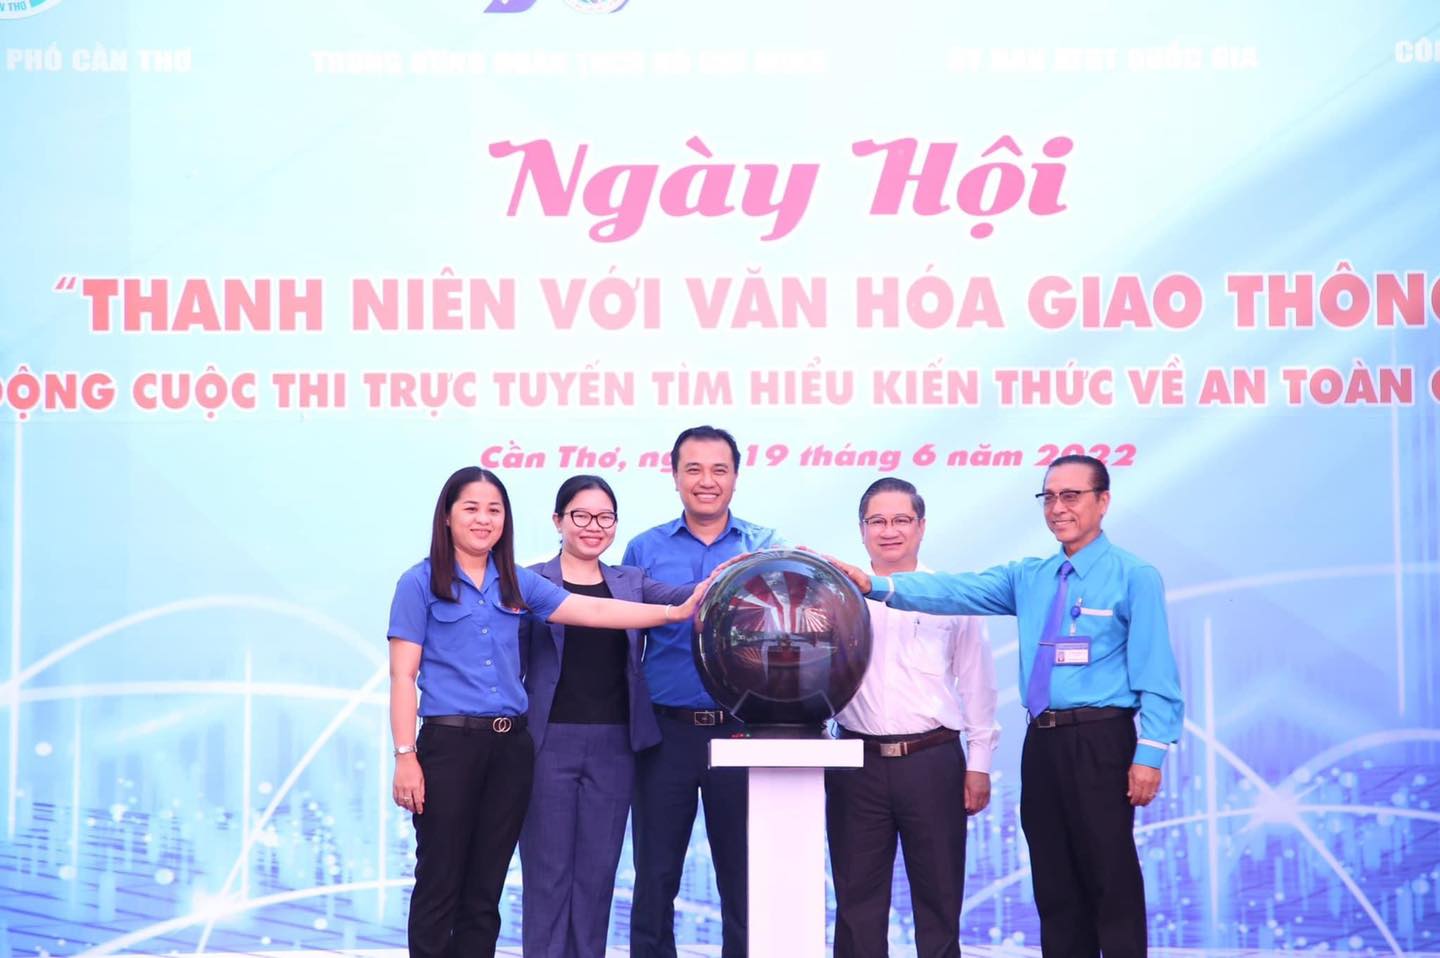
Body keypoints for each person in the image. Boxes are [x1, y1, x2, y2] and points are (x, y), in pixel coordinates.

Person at [827, 456, 1183, 958]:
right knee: (1054, 884)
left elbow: (1157, 671)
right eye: (1049, 497)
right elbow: (956, 590)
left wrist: (1151, 752)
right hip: (1042, 743)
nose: (1058, 508)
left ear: (1103, 501)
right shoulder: (1030, 577)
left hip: (1102, 739)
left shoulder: (1134, 576)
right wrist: (876, 585)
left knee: (1111, 877)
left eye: (1071, 496)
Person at [386, 466, 704, 958]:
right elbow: (402, 675)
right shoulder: (420, 582)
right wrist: (405, 754)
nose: (484, 519)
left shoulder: (516, 582)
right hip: (451, 744)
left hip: (511, 745)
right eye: (471, 508)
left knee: (487, 888)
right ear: (446, 516)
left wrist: (672, 613)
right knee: (440, 879)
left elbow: (592, 611)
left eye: (494, 510)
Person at [621, 425, 783, 958]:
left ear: (736, 477)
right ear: (674, 476)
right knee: (655, 875)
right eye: (693, 469)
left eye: (719, 469)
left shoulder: (765, 547)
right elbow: (627, 644)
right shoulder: (644, 548)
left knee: (744, 875)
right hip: (664, 733)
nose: (706, 481)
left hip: (742, 731)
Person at [517, 474, 694, 958]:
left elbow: (686, 597)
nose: (593, 526)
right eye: (581, 515)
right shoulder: (530, 581)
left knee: (597, 877)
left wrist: (738, 575)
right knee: (547, 874)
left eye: (605, 517)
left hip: (616, 747)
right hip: (547, 744)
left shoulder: (630, 582)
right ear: (558, 521)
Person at [826, 478, 1000, 958]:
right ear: (862, 530)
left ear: (921, 527)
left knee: (939, 900)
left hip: (932, 760)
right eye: (877, 521)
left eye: (901, 520)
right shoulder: (837, 598)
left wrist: (979, 764)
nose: (889, 531)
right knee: (857, 905)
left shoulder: (950, 595)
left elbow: (977, 682)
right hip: (856, 763)